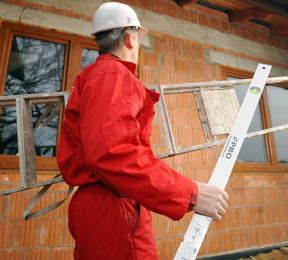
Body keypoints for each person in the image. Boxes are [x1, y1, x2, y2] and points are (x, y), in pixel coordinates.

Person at [57, 2, 229, 259]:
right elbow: (112, 153)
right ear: (129, 39)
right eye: (138, 40)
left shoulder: (95, 76)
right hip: (114, 209)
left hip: (107, 206)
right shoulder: (113, 76)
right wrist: (191, 193)